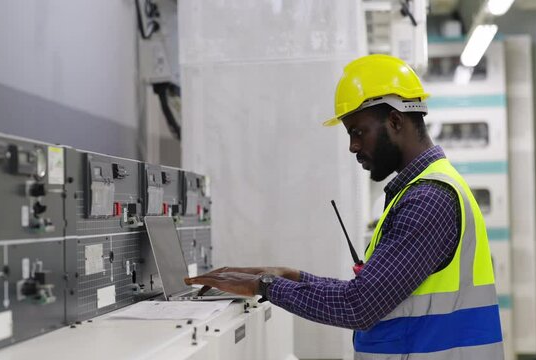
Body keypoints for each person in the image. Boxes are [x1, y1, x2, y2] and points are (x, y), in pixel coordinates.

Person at [184, 54, 504, 359]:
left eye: (358, 131)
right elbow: (371, 291)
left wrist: (263, 285)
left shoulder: (428, 198)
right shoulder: (423, 189)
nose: (353, 146)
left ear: (394, 120)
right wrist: (290, 276)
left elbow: (360, 305)